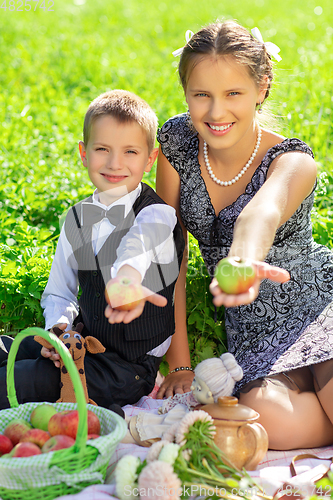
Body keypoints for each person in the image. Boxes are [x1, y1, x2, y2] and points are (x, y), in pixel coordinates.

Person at [155, 20, 333, 450]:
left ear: (262, 88)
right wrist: (179, 365)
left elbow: (262, 212)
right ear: (186, 93)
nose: (216, 113)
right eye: (202, 95)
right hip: (255, 332)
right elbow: (170, 251)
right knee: (266, 418)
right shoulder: (176, 145)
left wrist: (243, 259)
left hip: (321, 306)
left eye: (233, 93)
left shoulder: (292, 161)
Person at [0, 89, 184, 410]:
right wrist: (57, 333)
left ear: (149, 159)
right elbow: (60, 293)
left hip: (127, 368)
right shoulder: (78, 218)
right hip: (82, 340)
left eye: (130, 152)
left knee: (17, 380)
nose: (115, 163)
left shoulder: (157, 214)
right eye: (103, 149)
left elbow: (138, 246)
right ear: (84, 154)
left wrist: (127, 278)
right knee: (8, 350)